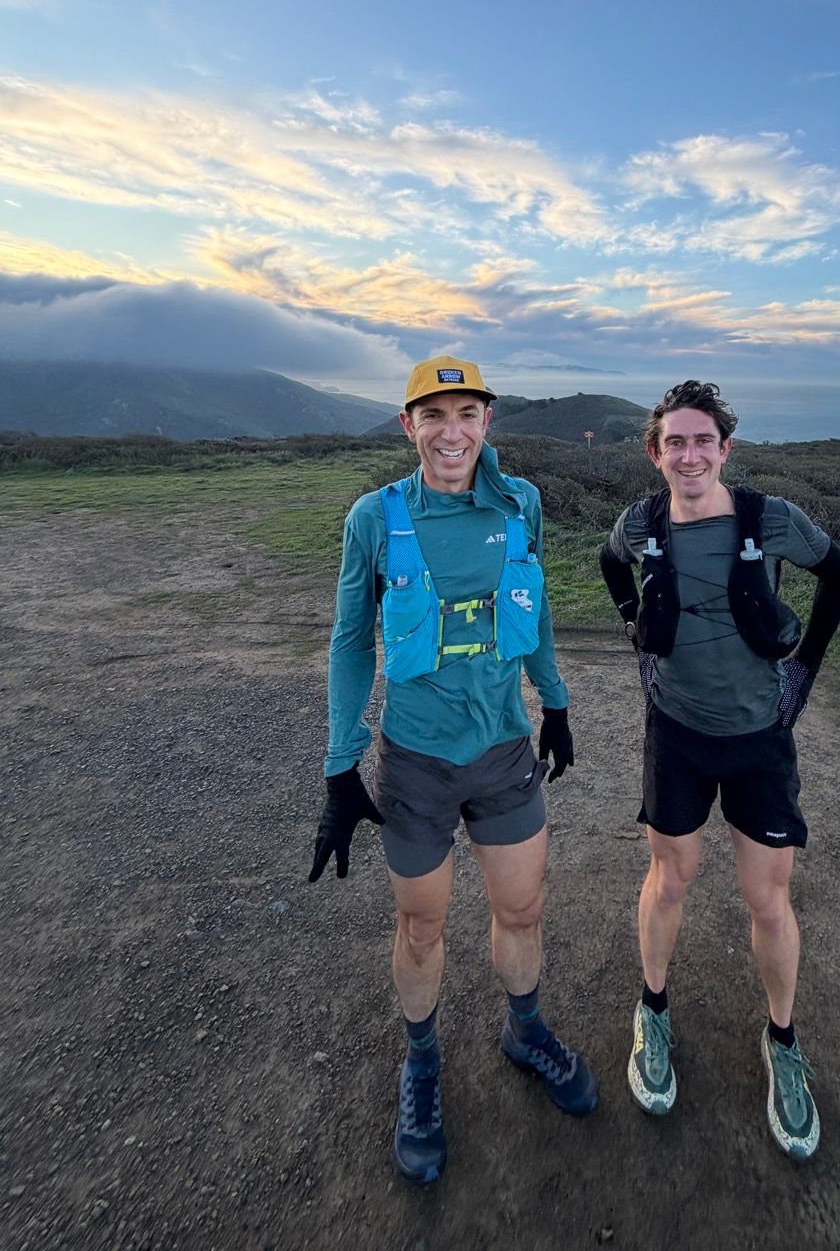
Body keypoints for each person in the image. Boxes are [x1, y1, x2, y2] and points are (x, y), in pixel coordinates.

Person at [309, 354, 597, 1185]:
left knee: (523, 909)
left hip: (505, 753)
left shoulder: (521, 503)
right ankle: (423, 1064)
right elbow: (349, 642)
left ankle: (525, 1031)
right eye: (433, 416)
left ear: (486, 422)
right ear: (409, 426)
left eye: (466, 413)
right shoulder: (375, 518)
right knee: (421, 927)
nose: (451, 431)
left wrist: (556, 703)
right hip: (417, 766)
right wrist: (339, 767)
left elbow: (534, 607)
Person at [600, 380, 840, 1161]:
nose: (689, 455)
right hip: (675, 732)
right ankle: (653, 1009)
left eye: (702, 440)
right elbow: (610, 561)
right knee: (669, 878)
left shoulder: (768, 518)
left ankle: (783, 1040)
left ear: (725, 449)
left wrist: (802, 670)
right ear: (655, 452)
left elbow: (838, 573)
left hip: (757, 738)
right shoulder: (640, 523)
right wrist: (633, 628)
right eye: (674, 442)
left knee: (769, 901)